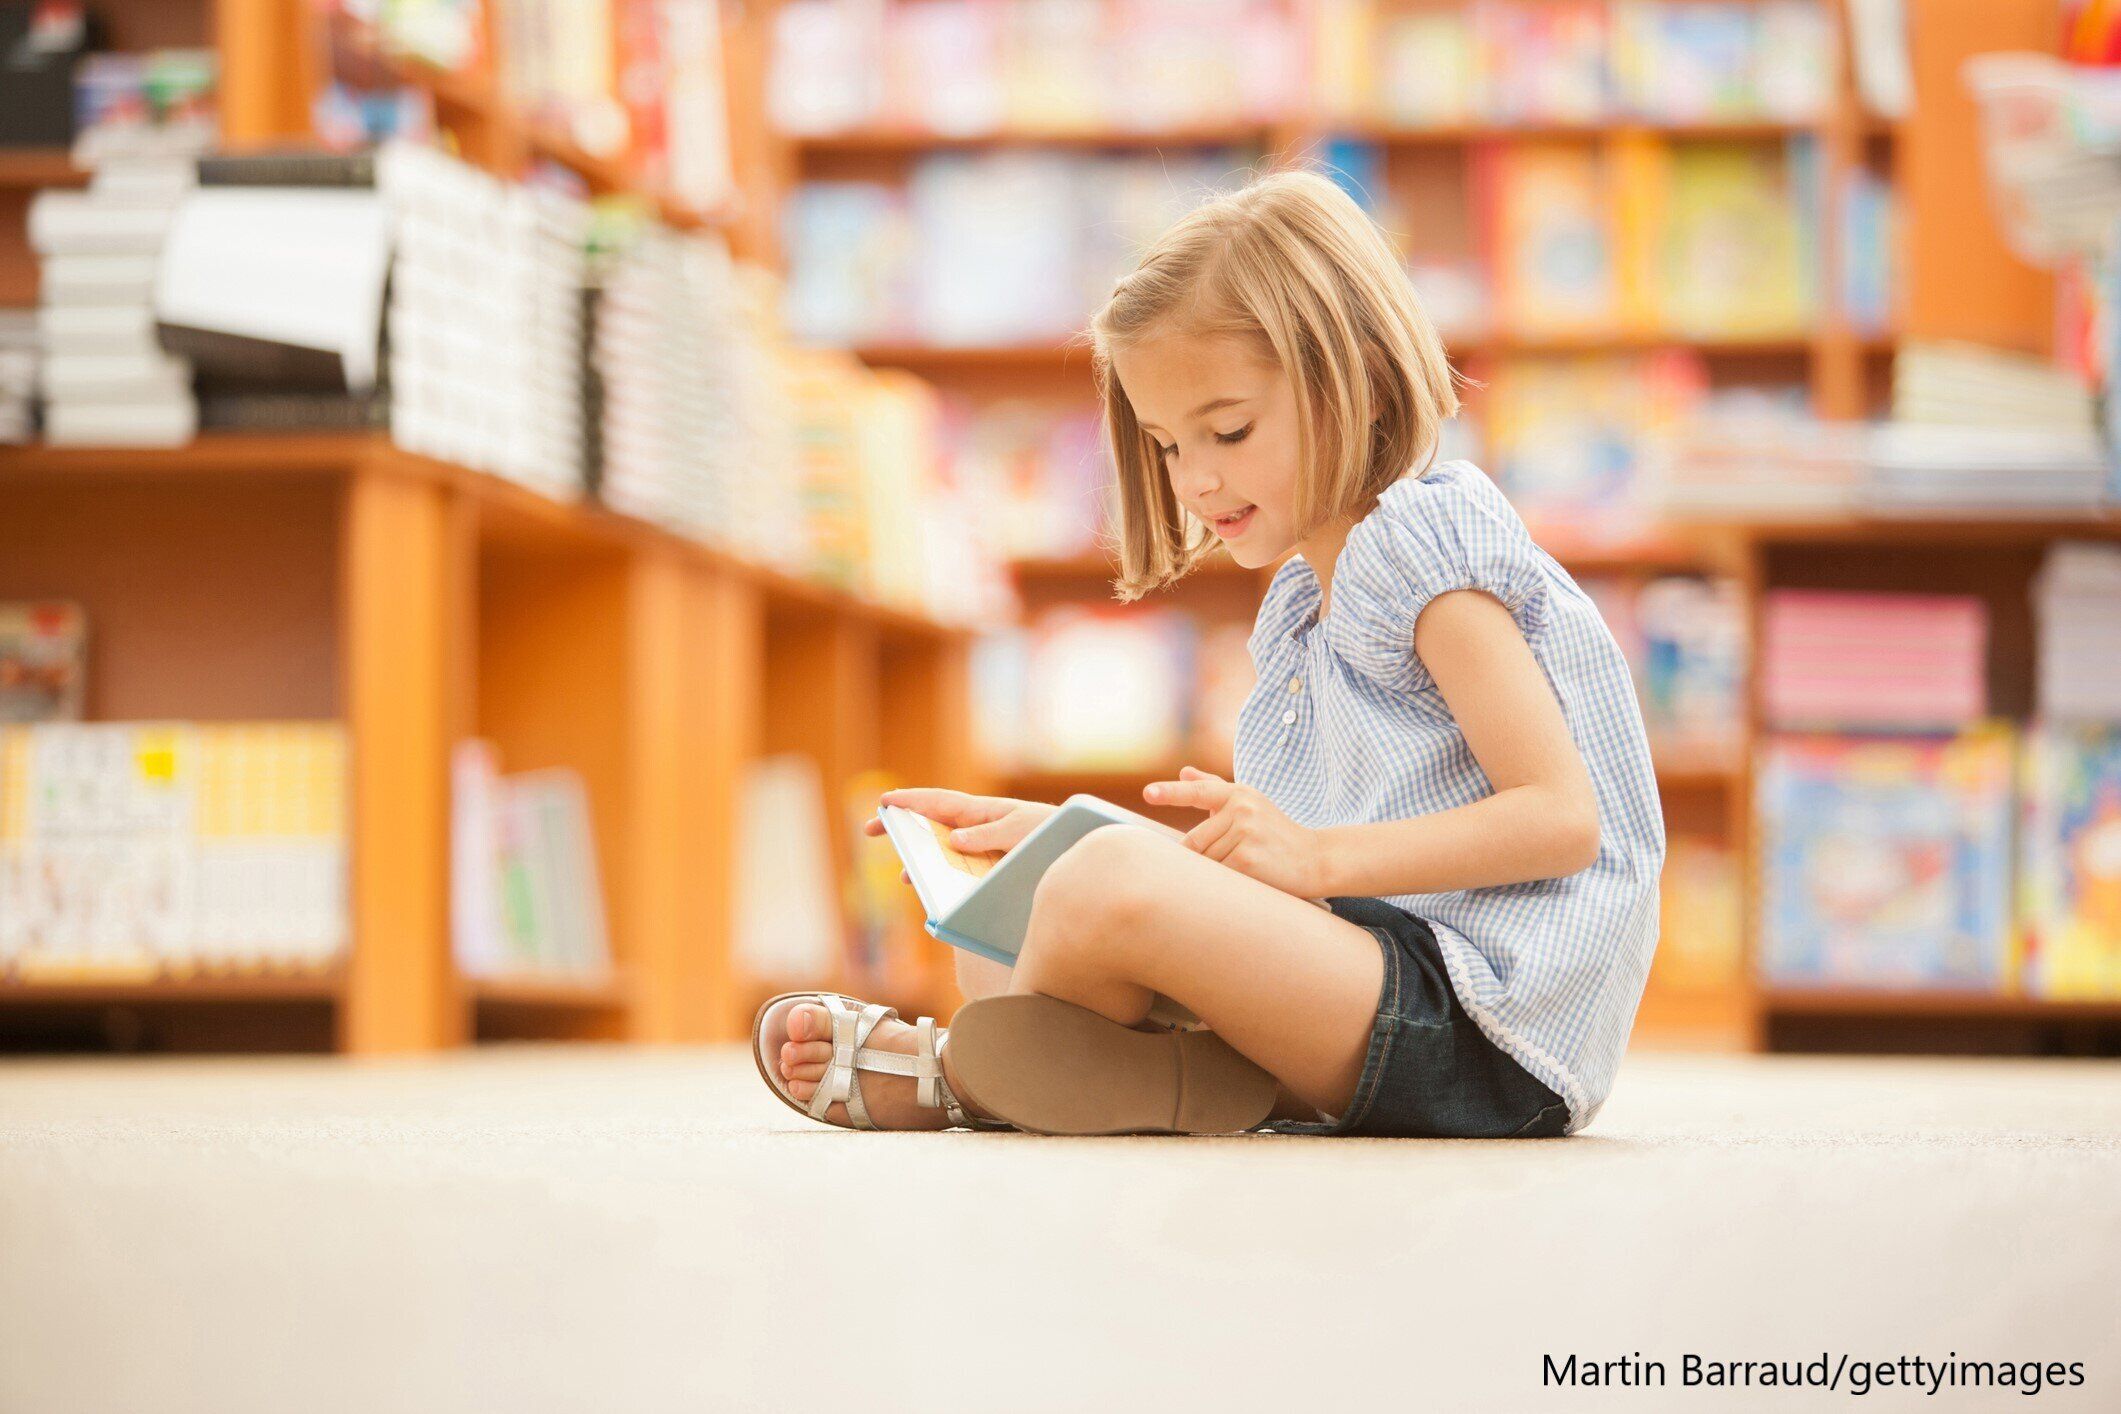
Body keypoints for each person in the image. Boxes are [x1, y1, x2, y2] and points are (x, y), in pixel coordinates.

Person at [753, 168, 1665, 1138]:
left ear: (1344, 371)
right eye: (1167, 446)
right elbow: (1279, 879)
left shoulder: (1423, 547)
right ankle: (1176, 1080)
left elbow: (1562, 818)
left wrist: (1306, 856)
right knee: (1004, 912)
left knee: (1097, 891)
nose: (1196, 478)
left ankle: (955, 1078)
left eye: (1226, 430)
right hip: (1378, 981)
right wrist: (1056, 833)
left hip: (1487, 1029)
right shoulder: (1308, 603)